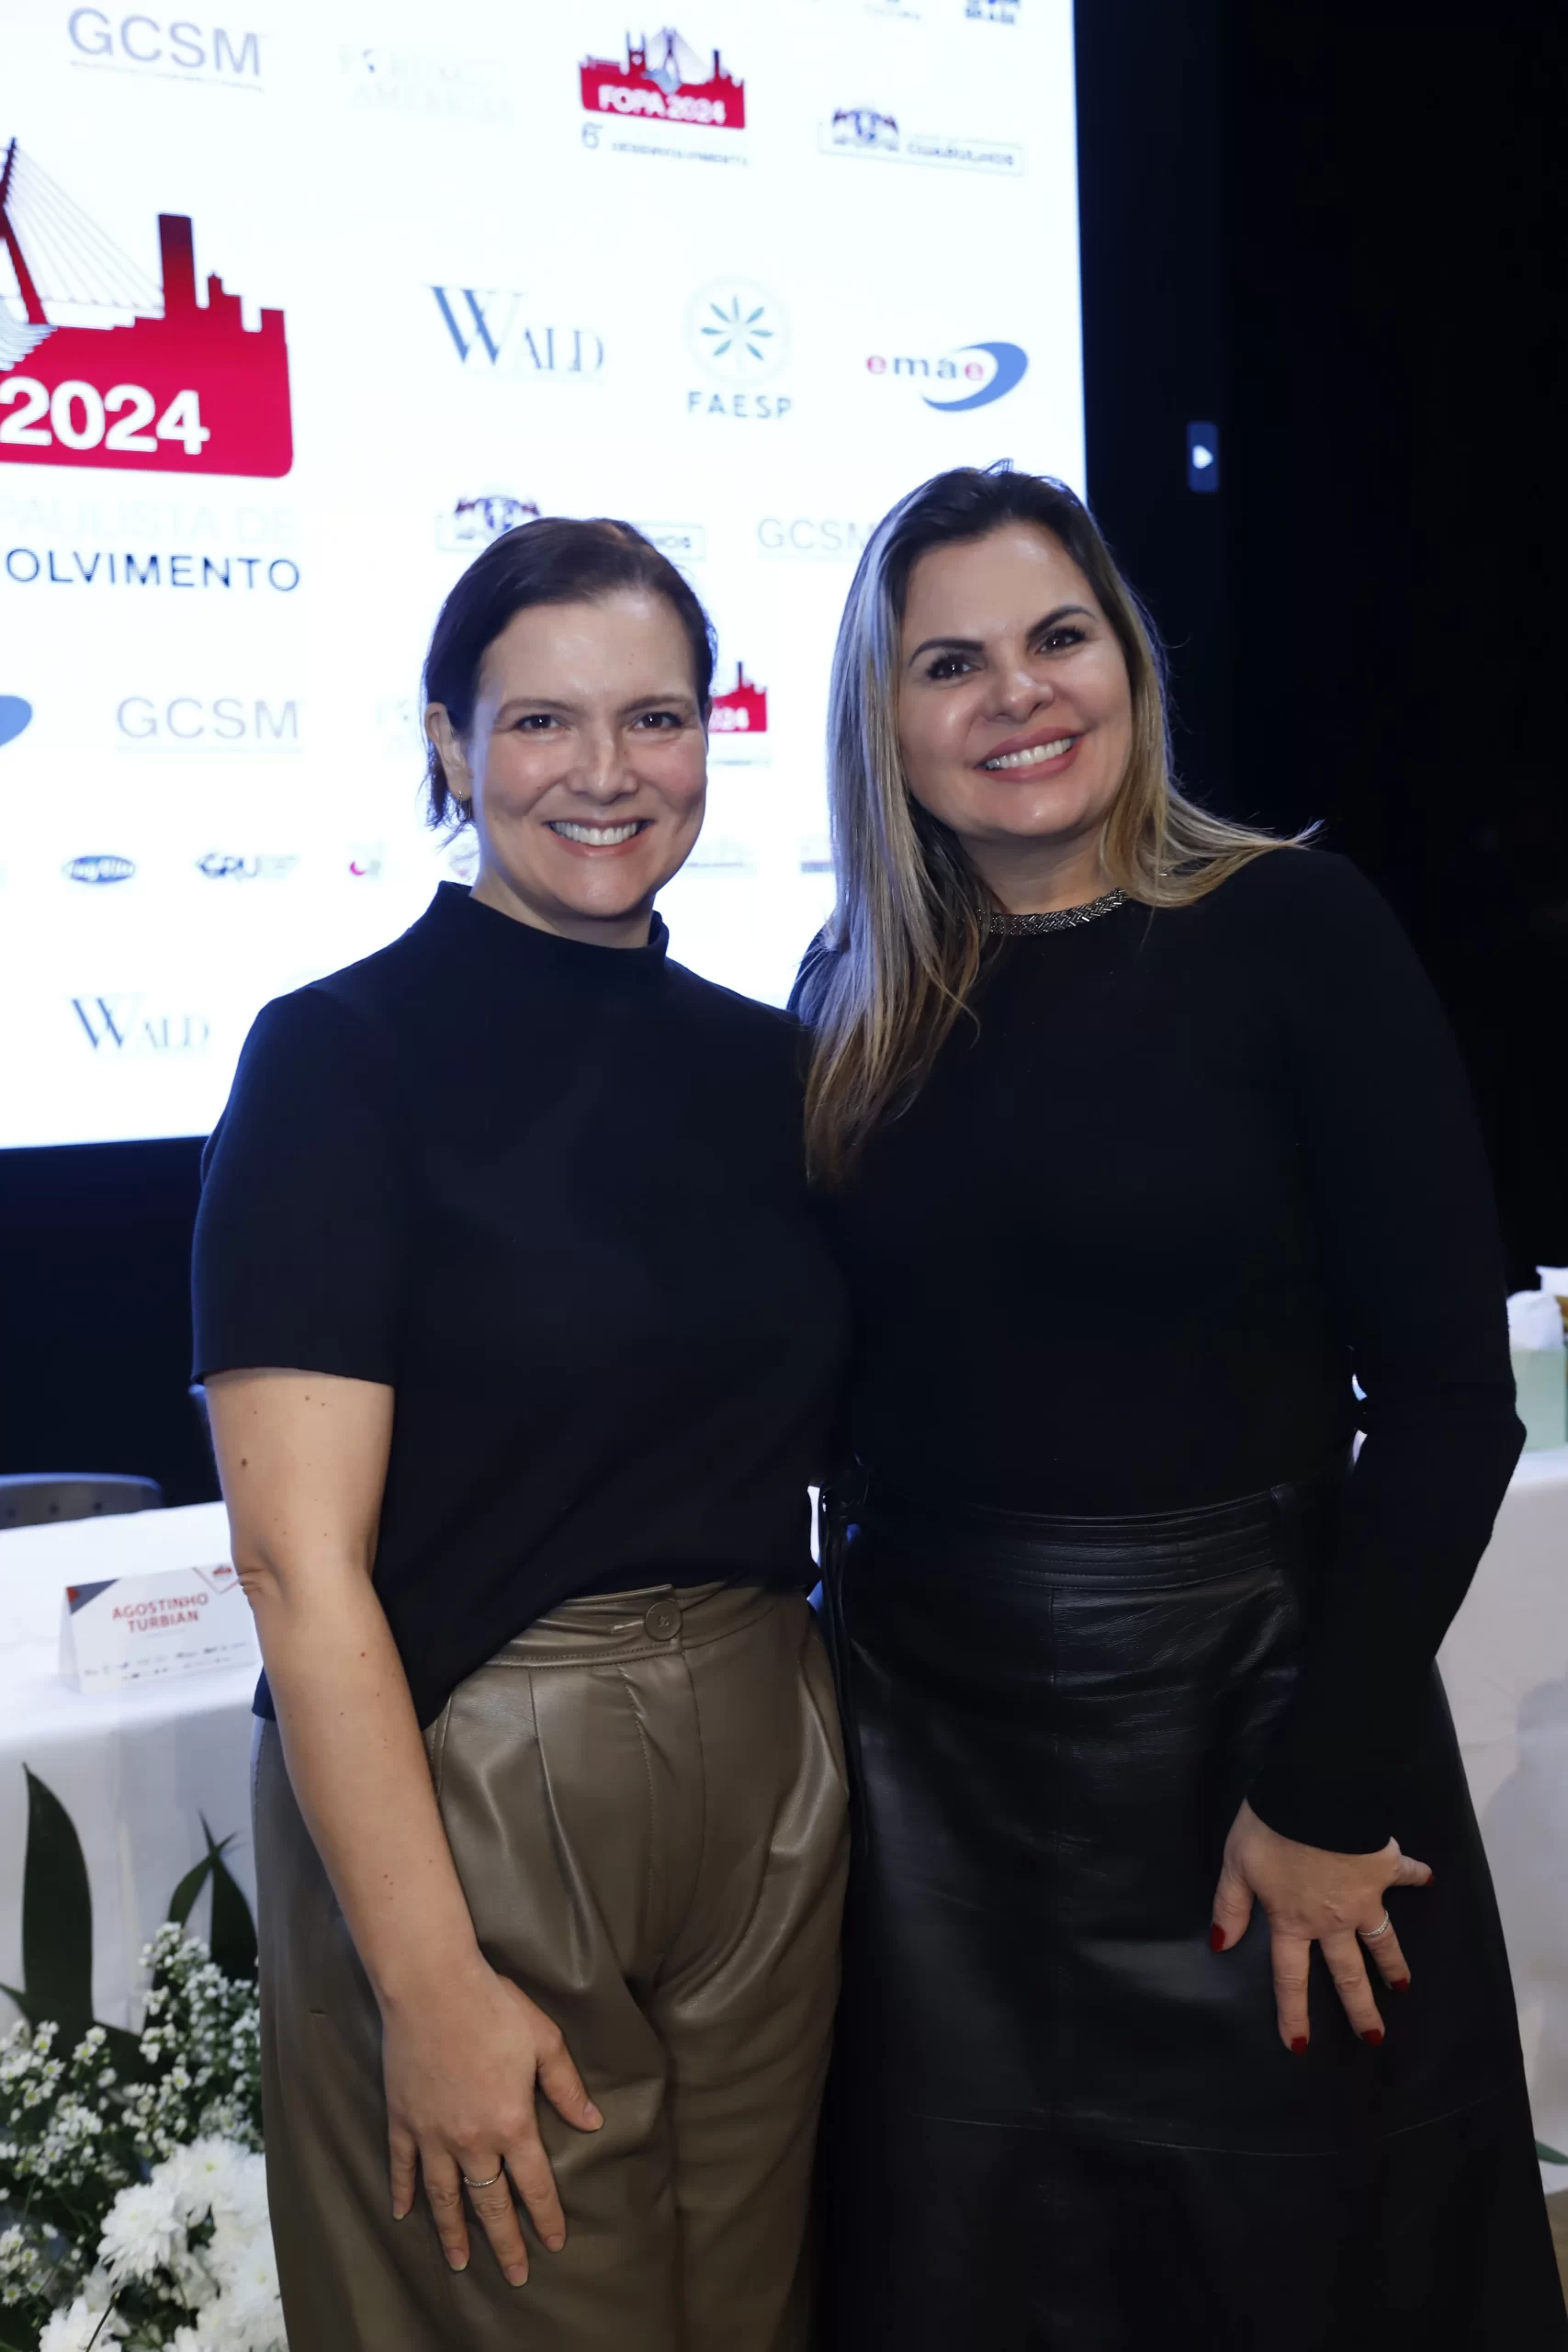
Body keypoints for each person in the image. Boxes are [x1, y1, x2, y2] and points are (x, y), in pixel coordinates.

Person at [792, 463, 1564, 2348]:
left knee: (1312, 2275)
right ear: (885, 724)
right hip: (933, 1779)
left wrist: (1321, 1780)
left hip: (1261, 1733)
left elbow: (1451, 1404)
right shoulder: (847, 989)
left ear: (1127, 659)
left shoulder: (1294, 928)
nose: (1017, 694)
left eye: (1058, 637)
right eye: (949, 663)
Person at [192, 518, 850, 2351]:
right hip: (469, 1790)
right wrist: (425, 1980)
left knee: (755, 2317)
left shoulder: (772, 1067)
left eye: (655, 718)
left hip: (771, 1767)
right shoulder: (338, 1057)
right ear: (448, 742)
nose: (605, 771)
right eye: (543, 720)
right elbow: (295, 1562)